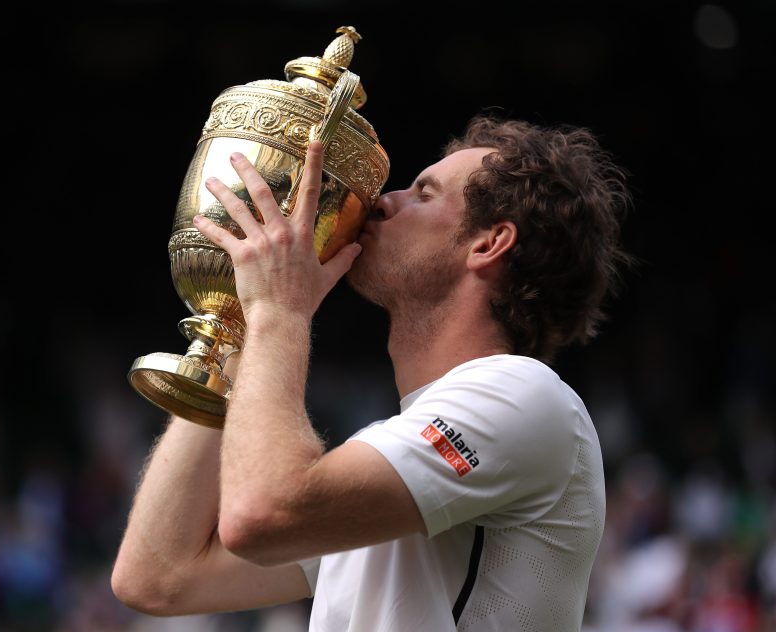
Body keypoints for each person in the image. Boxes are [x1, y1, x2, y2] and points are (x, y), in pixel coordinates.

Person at [111, 114, 633, 631]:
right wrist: (236, 323)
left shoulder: (525, 394)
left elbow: (262, 514)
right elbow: (157, 576)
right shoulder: (389, 456)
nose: (384, 201)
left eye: (423, 194)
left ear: (488, 244)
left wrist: (280, 311)